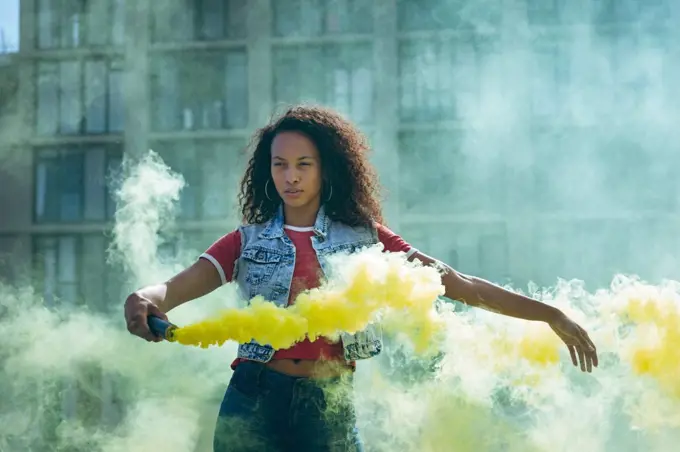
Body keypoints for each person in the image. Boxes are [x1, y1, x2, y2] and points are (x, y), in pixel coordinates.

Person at [124, 105, 598, 452]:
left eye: (303, 164)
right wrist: (145, 297)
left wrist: (550, 314)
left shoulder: (368, 239)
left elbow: (460, 285)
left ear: (327, 169)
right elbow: (178, 285)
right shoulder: (245, 242)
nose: (290, 176)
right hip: (253, 397)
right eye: (280, 164)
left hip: (327, 401)